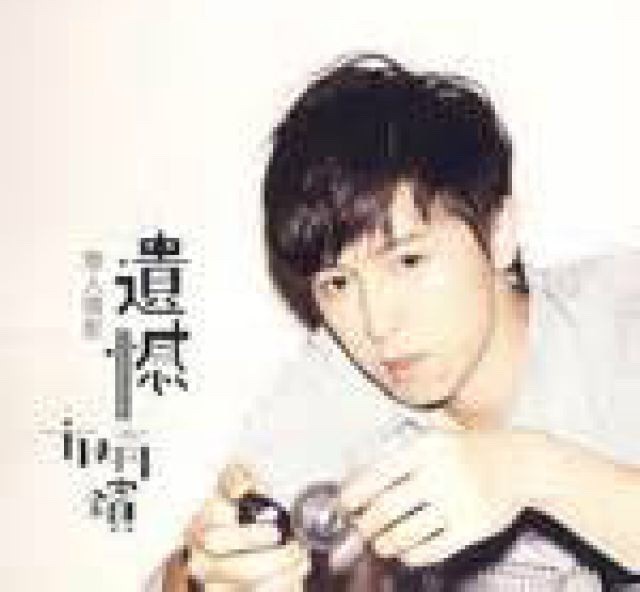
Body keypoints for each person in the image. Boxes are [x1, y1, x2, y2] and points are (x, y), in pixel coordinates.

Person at [158, 54, 640, 590]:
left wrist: (531, 470)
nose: (377, 324)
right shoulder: (341, 376)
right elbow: (192, 561)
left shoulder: (621, 314)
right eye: (338, 284)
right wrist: (205, 573)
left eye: (408, 261)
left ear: (500, 233)